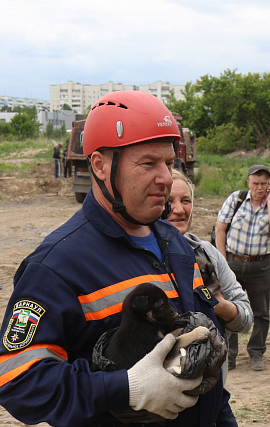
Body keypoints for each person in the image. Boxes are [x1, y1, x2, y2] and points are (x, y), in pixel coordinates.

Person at [0, 91, 237, 426]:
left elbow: (206, 363)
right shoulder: (56, 267)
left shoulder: (177, 245)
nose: (166, 178)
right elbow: (19, 383)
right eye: (148, 163)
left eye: (169, 163)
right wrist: (124, 388)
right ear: (100, 165)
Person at [167, 168, 253, 379]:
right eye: (169, 201)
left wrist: (222, 307)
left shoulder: (207, 253)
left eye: (186, 201)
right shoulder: (140, 258)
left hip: (211, 385)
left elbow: (246, 318)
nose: (179, 209)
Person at [215, 164, 270, 372]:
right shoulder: (236, 199)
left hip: (261, 265)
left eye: (264, 184)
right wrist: (222, 261)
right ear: (248, 182)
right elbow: (220, 229)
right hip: (233, 263)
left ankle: (256, 352)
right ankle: (229, 354)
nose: (259, 188)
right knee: (230, 309)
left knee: (261, 312)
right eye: (256, 183)